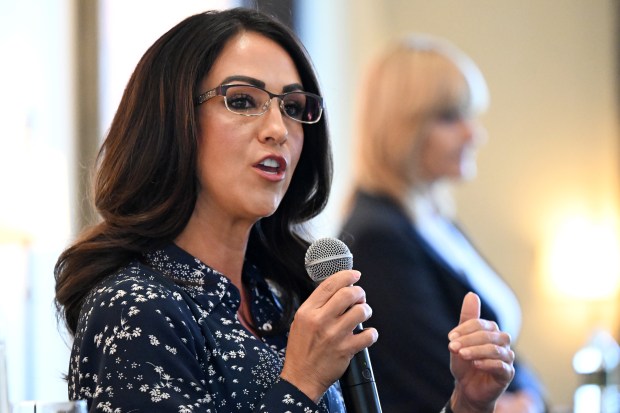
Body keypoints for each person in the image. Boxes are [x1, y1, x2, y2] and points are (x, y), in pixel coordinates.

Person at [55, 9, 515, 412]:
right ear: (173, 119)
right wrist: (302, 382)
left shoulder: (282, 297)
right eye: (242, 101)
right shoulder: (134, 309)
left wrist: (467, 404)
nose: (278, 128)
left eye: (293, 107)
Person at [339, 34, 547, 413]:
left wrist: (532, 399)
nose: (474, 133)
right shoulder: (378, 240)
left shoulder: (434, 218)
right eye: (450, 117)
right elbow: (440, 385)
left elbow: (505, 348)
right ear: (401, 127)